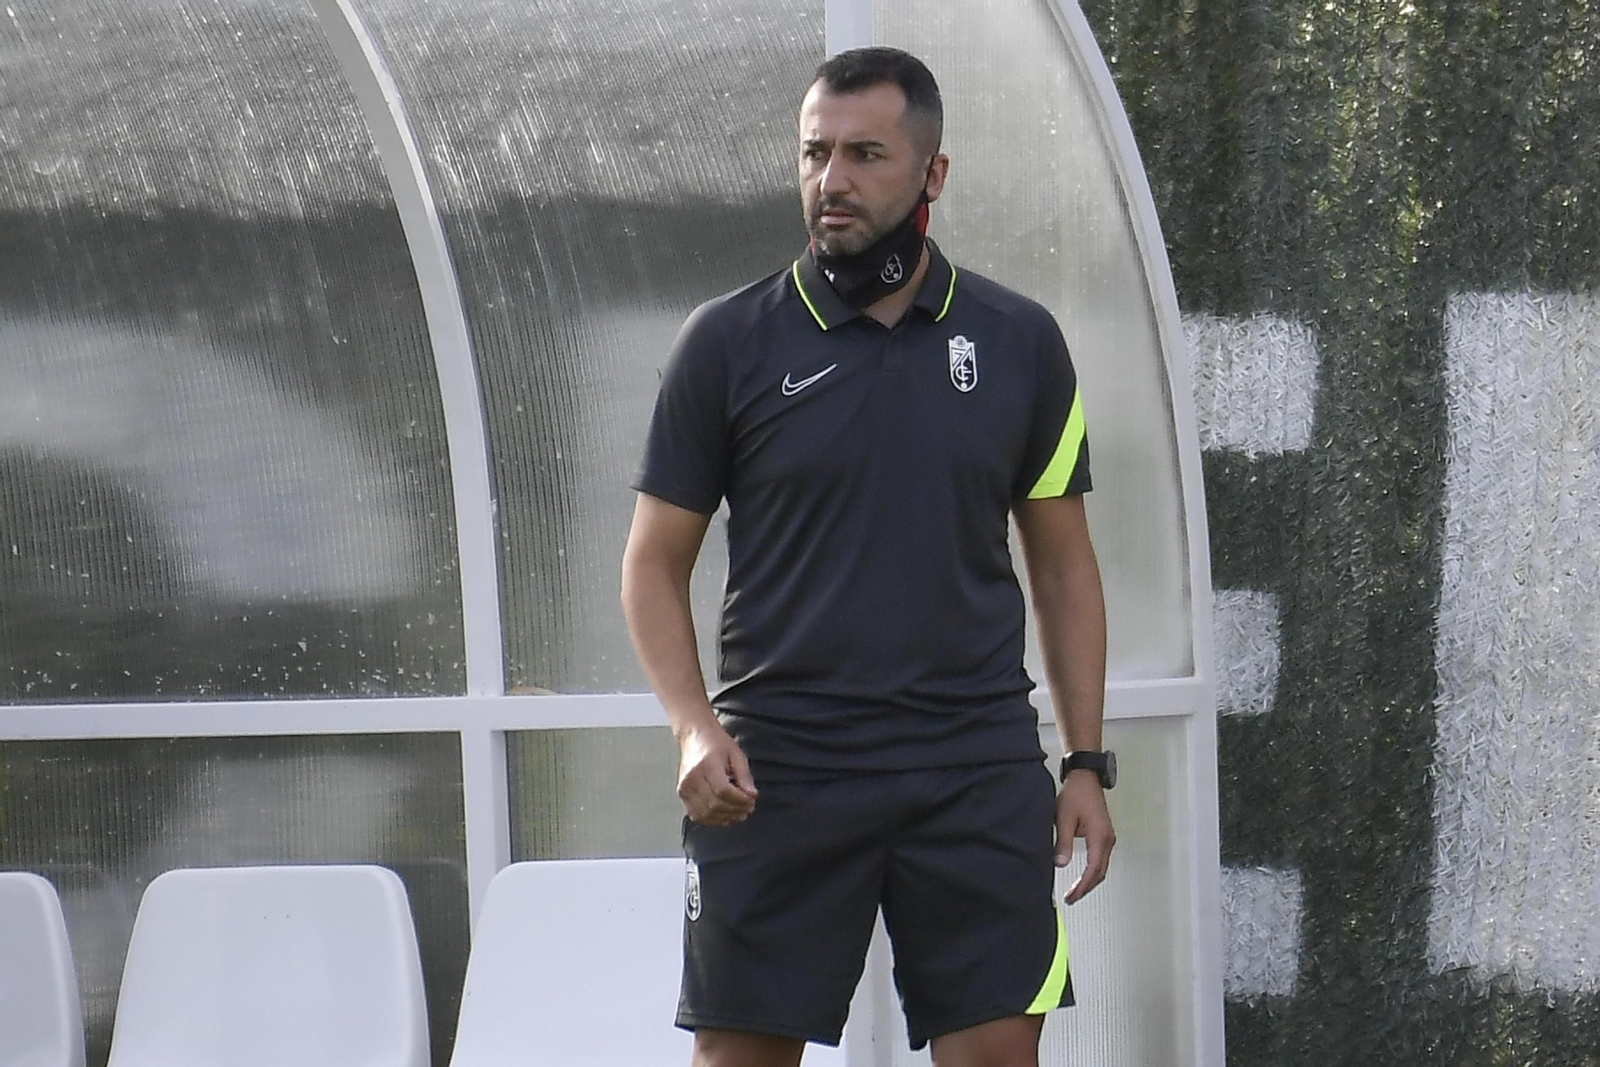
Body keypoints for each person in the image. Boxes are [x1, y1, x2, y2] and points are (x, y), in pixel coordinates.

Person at [621, 46, 1114, 1067]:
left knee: (997, 1056)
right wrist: (692, 729)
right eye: (815, 153)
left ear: (933, 173)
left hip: (973, 764)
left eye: (864, 154)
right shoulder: (725, 342)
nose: (831, 179)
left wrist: (1083, 762)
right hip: (778, 769)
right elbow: (651, 563)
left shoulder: (1020, 341)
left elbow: (1065, 567)